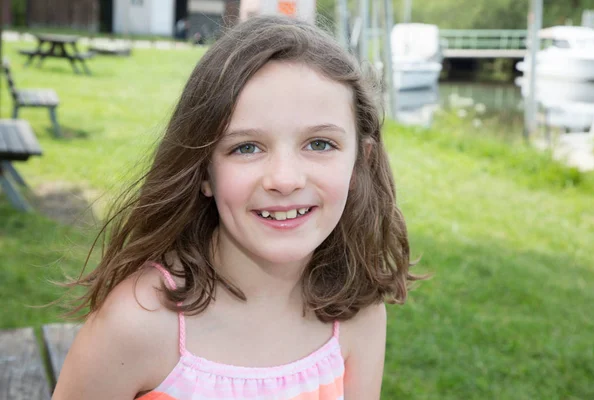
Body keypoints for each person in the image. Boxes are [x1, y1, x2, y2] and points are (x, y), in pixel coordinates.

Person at [52, 15, 420, 400]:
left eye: (320, 144)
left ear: (360, 164)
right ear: (204, 172)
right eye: (246, 147)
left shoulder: (357, 315)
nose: (285, 179)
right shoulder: (138, 323)